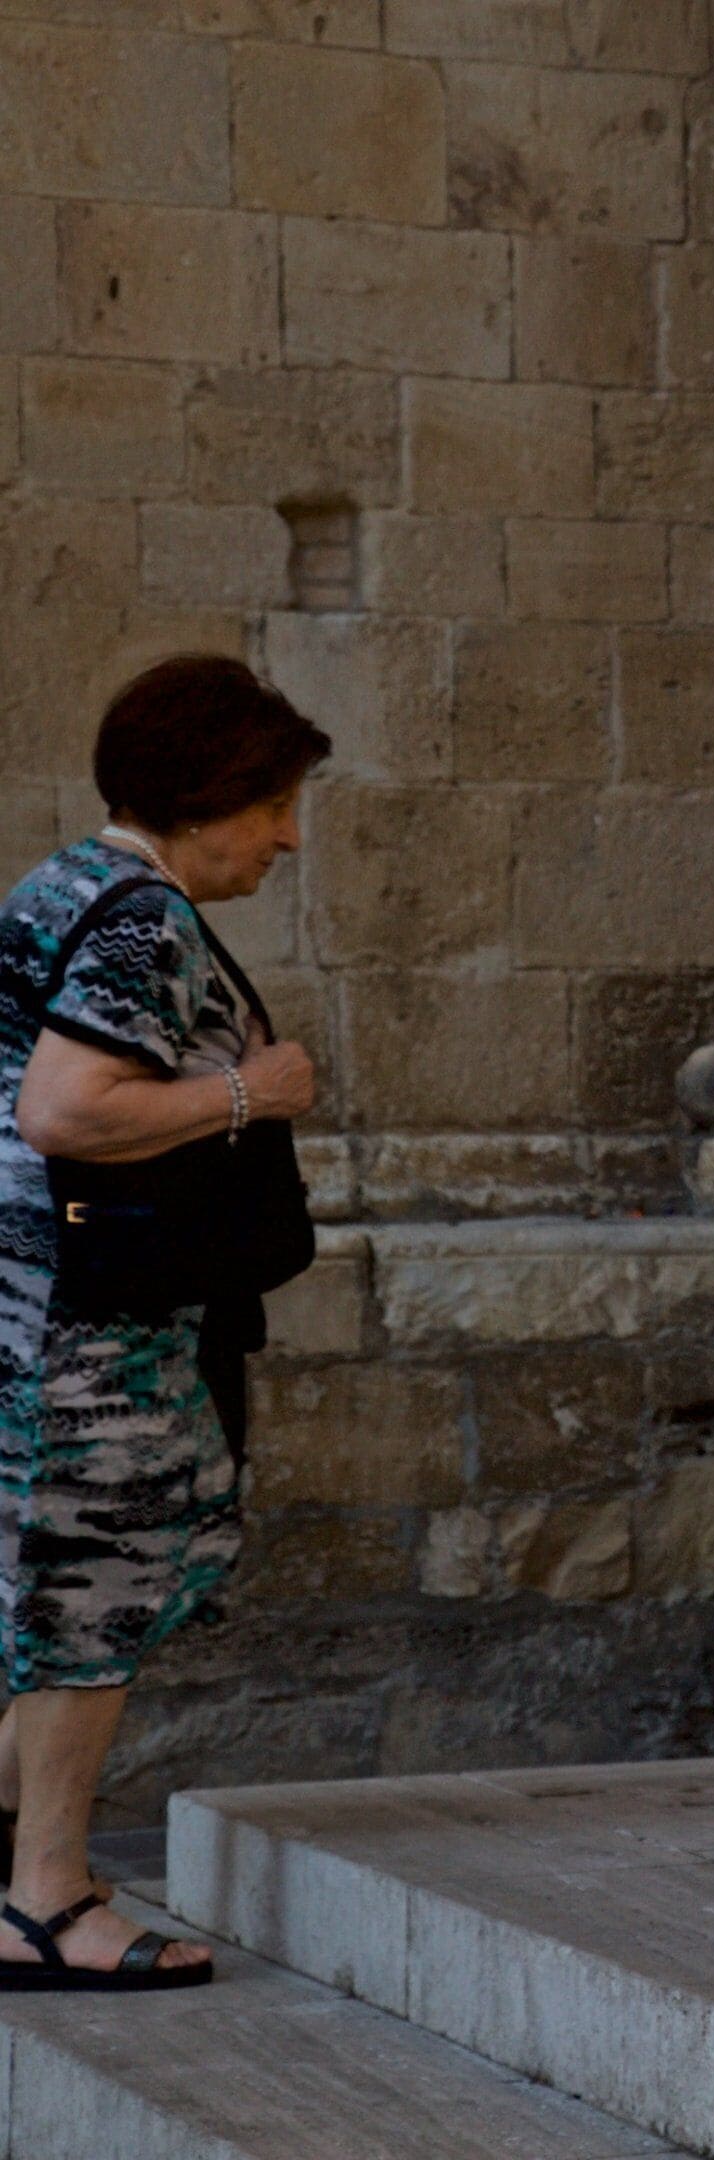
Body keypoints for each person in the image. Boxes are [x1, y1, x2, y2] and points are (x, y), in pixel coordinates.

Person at [0, 656, 328, 1990]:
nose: (288, 837)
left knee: (95, 1574)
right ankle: (47, 1901)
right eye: (273, 806)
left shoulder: (63, 884)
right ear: (204, 798)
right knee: (94, 1591)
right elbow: (64, 1111)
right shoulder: (143, 921)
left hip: (41, 1311)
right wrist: (256, 1092)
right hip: (92, 1331)